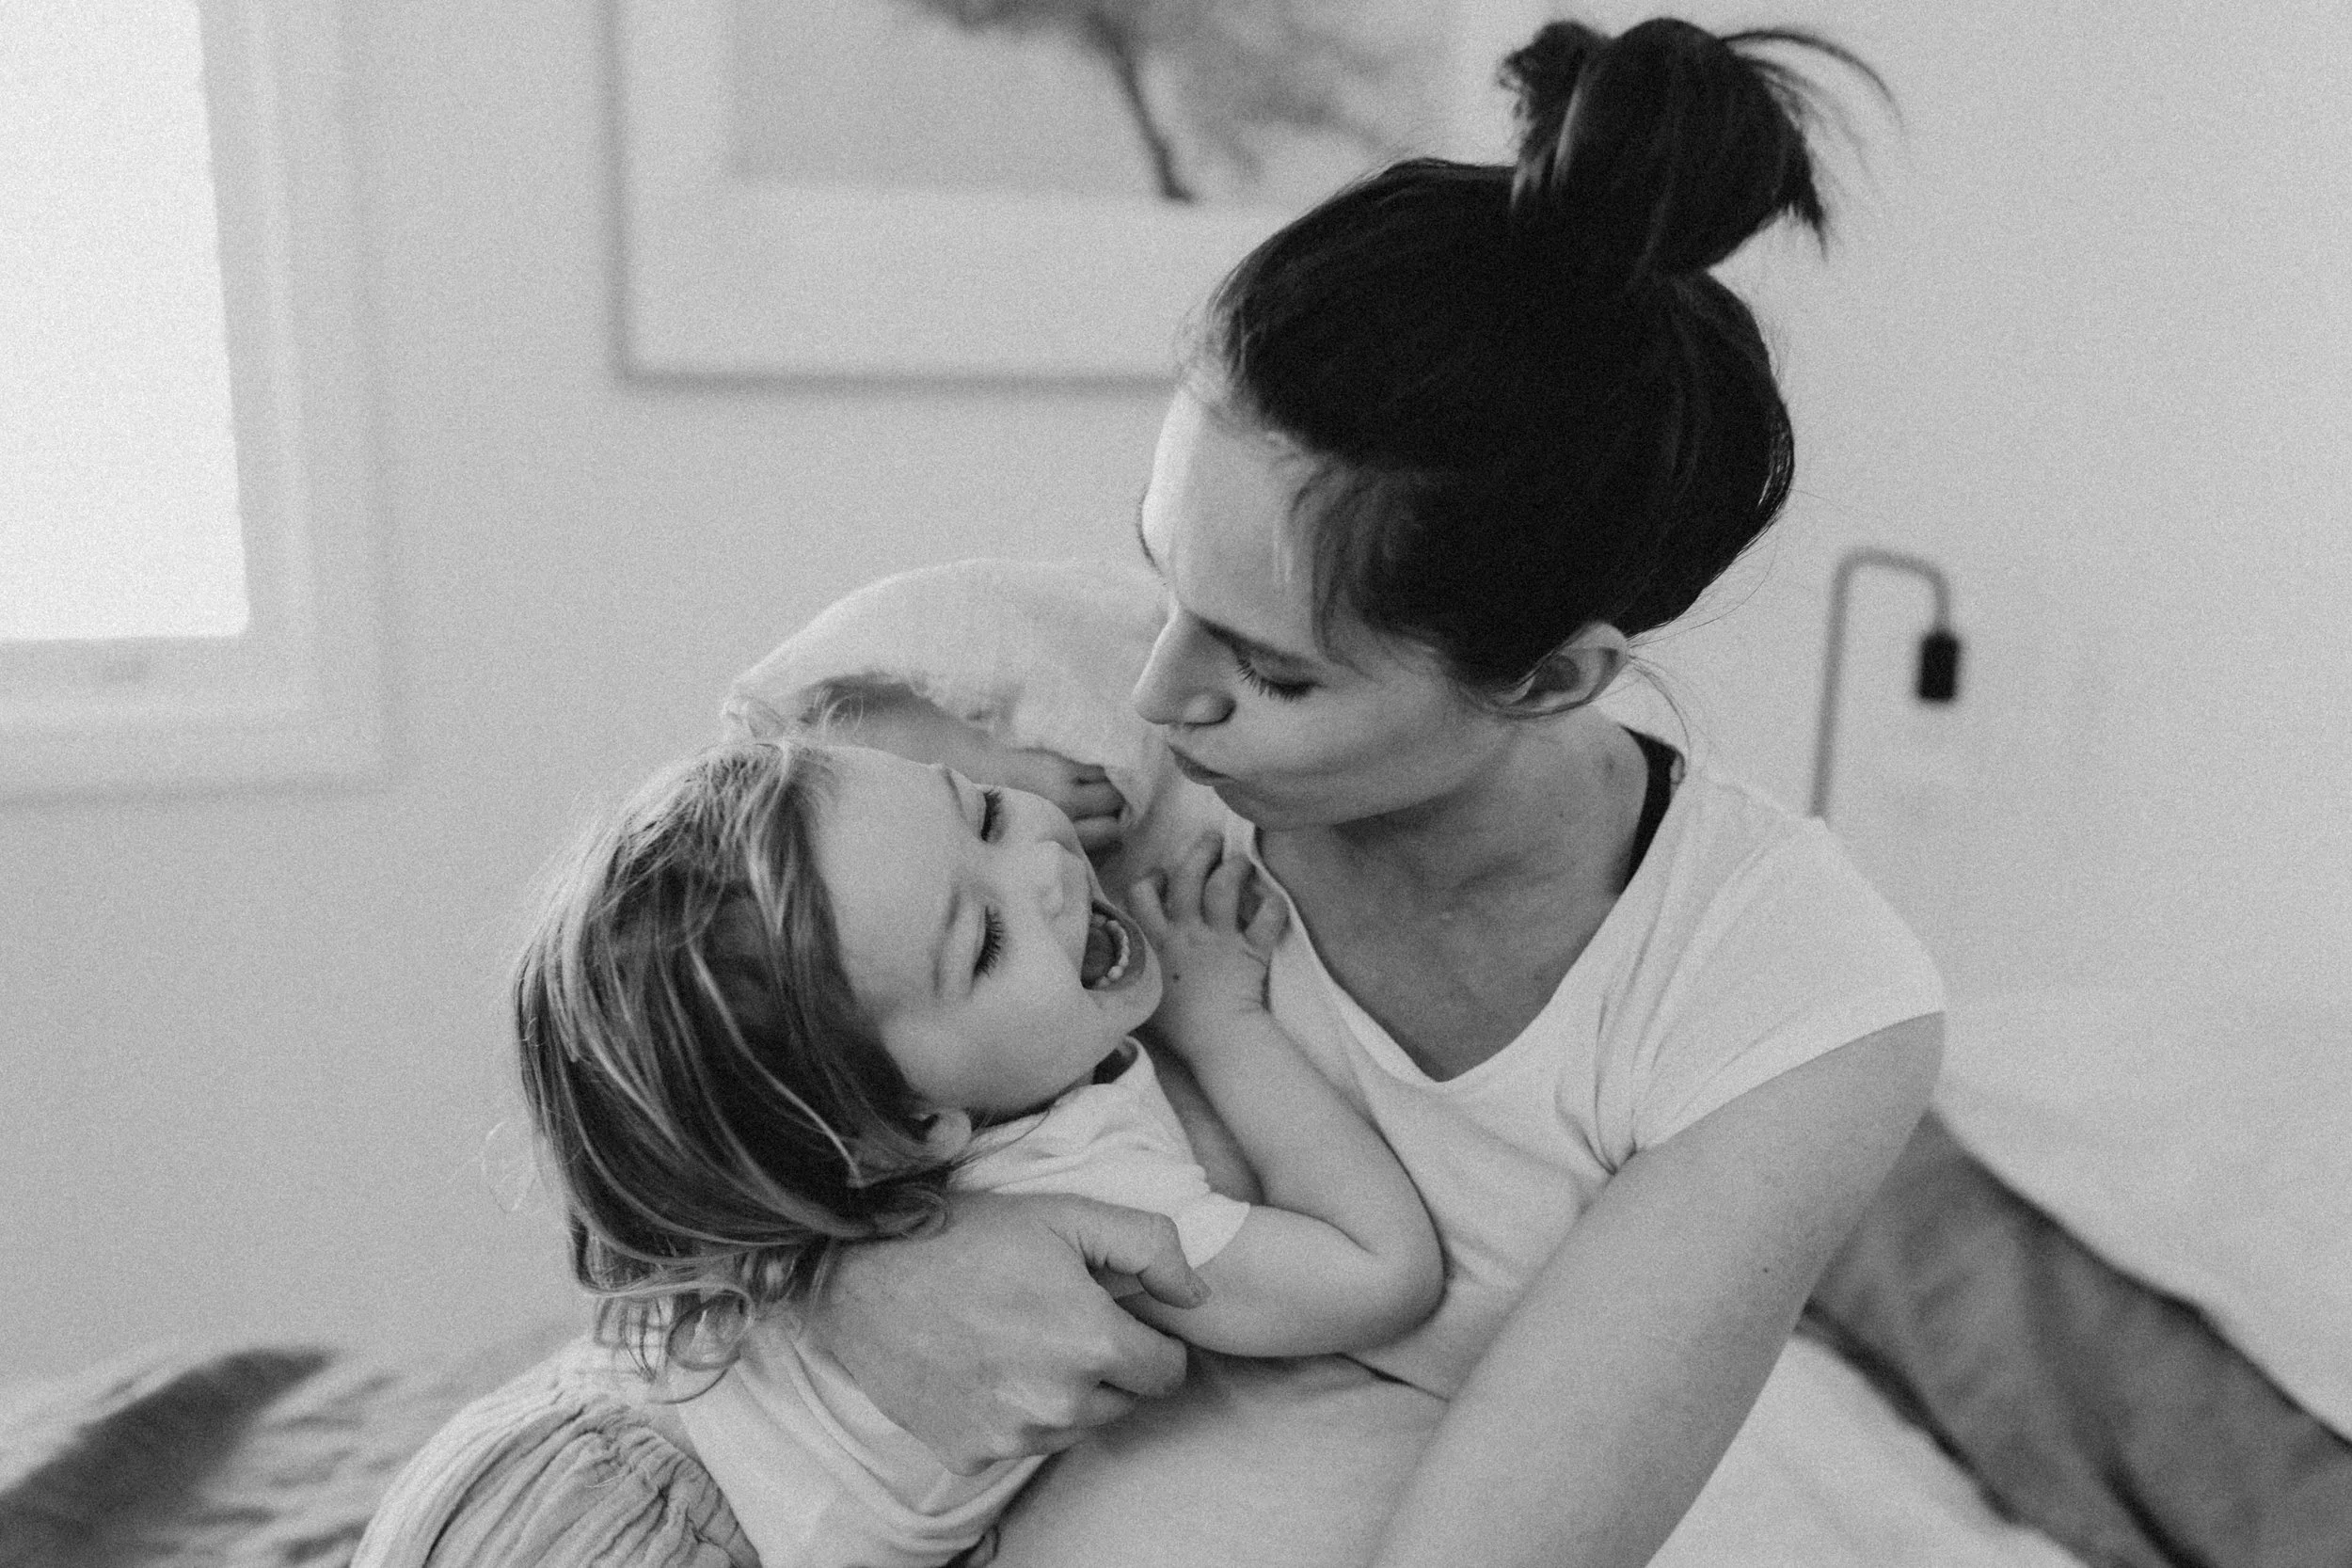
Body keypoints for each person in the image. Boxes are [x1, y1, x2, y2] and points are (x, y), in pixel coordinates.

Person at [744, 15, 1946, 1568]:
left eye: (1273, 670)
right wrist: (859, 1280)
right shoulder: (968, 687)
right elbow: (627, 1128)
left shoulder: (1788, 1004)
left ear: (1552, 677)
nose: (1160, 693)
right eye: (1160, 565)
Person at [512, 737, 1441, 1568]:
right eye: (987, 940)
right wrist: (1223, 1021)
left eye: (985, 810)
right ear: (911, 1130)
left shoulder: (796, 1146)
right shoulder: (1076, 1188)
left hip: (556, 1439)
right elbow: (1379, 1271)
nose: (1045, 865)